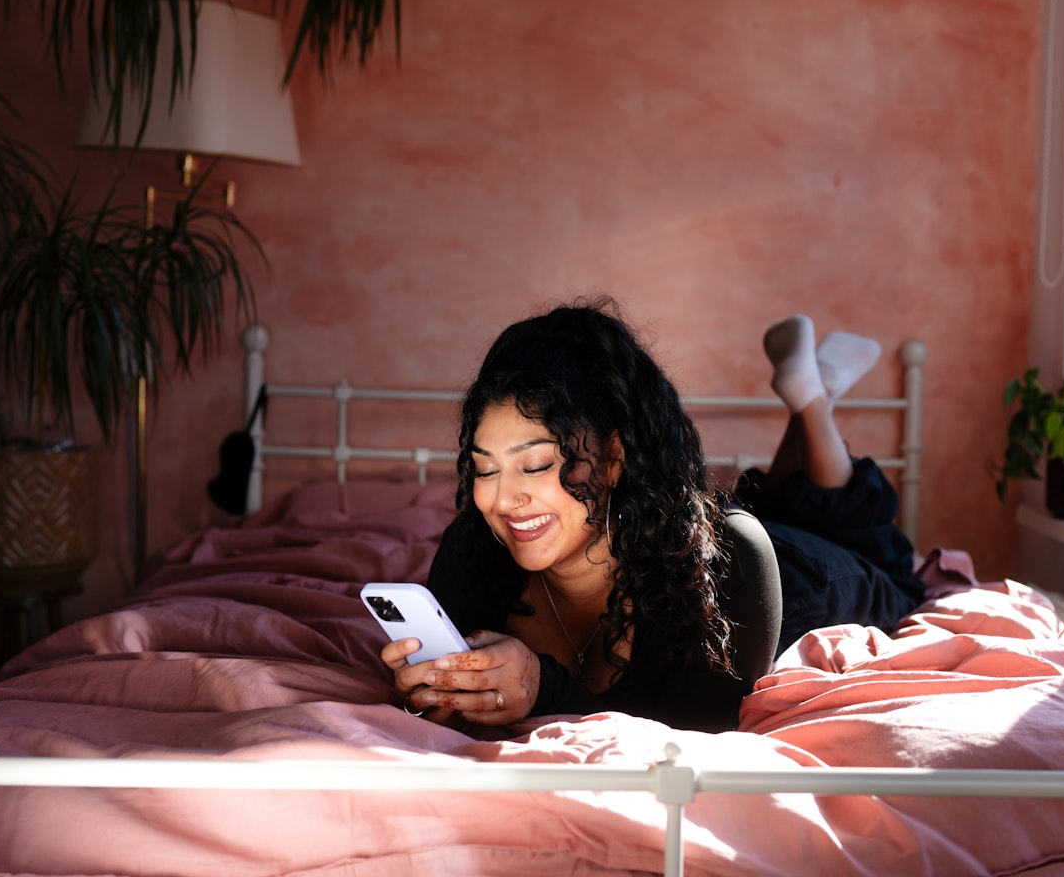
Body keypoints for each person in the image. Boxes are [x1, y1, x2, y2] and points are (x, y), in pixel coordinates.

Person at [379, 300, 923, 733]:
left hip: (794, 576)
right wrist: (431, 693)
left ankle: (814, 404)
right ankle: (812, 396)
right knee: (782, 498)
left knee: (882, 563)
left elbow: (696, 731)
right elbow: (439, 706)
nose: (502, 501)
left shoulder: (731, 562)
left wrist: (543, 688)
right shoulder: (474, 548)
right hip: (710, 535)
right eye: (485, 469)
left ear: (615, 458)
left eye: (537, 465)